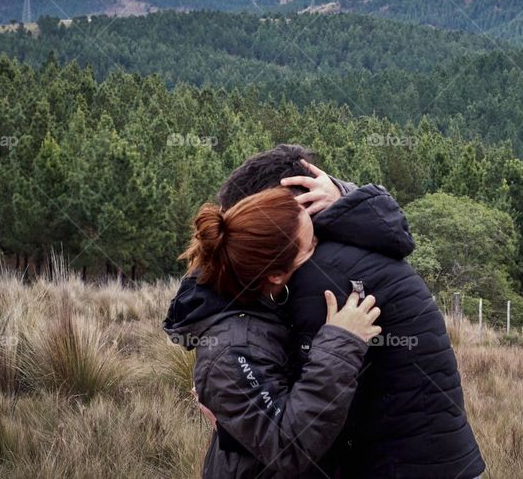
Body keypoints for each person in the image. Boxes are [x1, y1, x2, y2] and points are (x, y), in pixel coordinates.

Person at [208, 145, 486, 479]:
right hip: (442, 457)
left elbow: (306, 420)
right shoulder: (358, 239)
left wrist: (231, 418)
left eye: (251, 217)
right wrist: (344, 193)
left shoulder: (320, 276)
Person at [164, 186, 382, 478]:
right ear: (277, 274)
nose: (322, 247)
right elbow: (288, 446)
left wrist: (341, 193)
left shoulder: (259, 296)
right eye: (311, 245)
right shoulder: (231, 350)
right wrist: (340, 343)